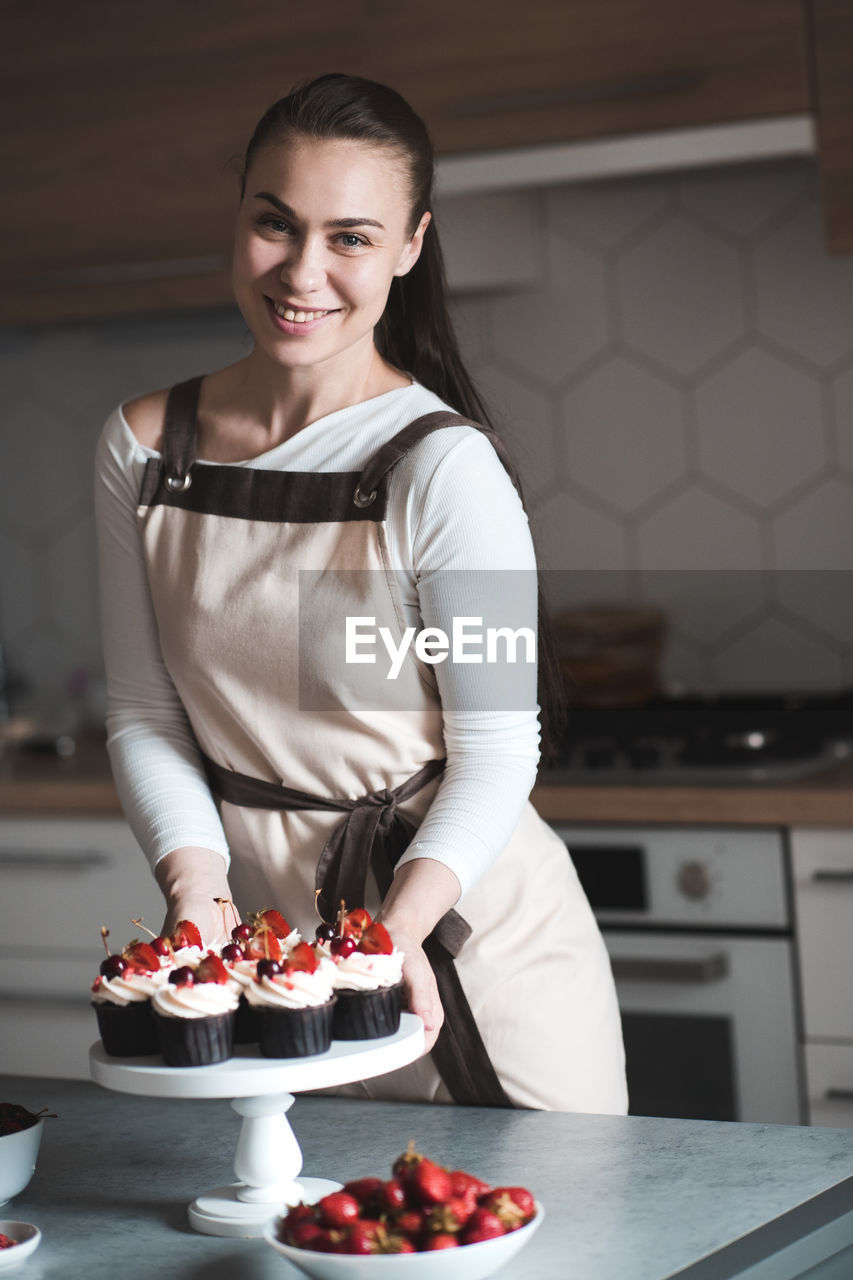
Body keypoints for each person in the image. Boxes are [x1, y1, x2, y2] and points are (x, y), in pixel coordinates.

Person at [95, 72, 627, 1113]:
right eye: (274, 224)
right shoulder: (143, 447)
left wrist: (388, 936)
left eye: (349, 236)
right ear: (238, 215)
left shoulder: (440, 466)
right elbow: (145, 713)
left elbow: (496, 754)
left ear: (409, 245)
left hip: (469, 942)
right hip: (275, 953)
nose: (302, 271)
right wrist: (200, 906)